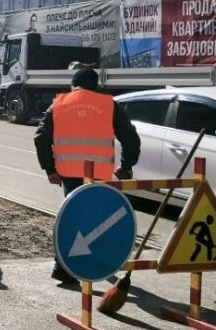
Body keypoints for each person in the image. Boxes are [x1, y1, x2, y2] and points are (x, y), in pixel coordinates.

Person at [33, 67, 141, 284]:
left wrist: (50, 169)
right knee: (96, 217)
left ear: (74, 85)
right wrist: (126, 166)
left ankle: (63, 267)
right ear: (96, 86)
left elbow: (40, 138)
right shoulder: (109, 105)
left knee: (71, 217)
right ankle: (94, 262)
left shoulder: (60, 104)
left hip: (69, 174)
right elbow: (131, 138)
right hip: (99, 174)